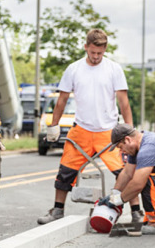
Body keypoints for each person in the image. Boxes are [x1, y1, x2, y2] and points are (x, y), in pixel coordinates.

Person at [37, 29, 143, 225]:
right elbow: (61, 100)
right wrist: (54, 126)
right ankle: (57, 210)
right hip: (81, 130)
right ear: (86, 47)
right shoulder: (74, 69)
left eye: (100, 53)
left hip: (109, 133)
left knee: (125, 172)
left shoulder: (114, 69)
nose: (96, 57)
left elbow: (123, 101)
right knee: (65, 172)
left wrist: (130, 130)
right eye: (93, 52)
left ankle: (136, 212)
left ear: (105, 50)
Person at [99, 123, 155, 235]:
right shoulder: (139, 146)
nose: (121, 152)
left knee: (146, 180)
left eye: (120, 147)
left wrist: (119, 199)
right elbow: (127, 173)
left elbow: (137, 184)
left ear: (127, 140)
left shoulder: (148, 148)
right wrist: (114, 194)